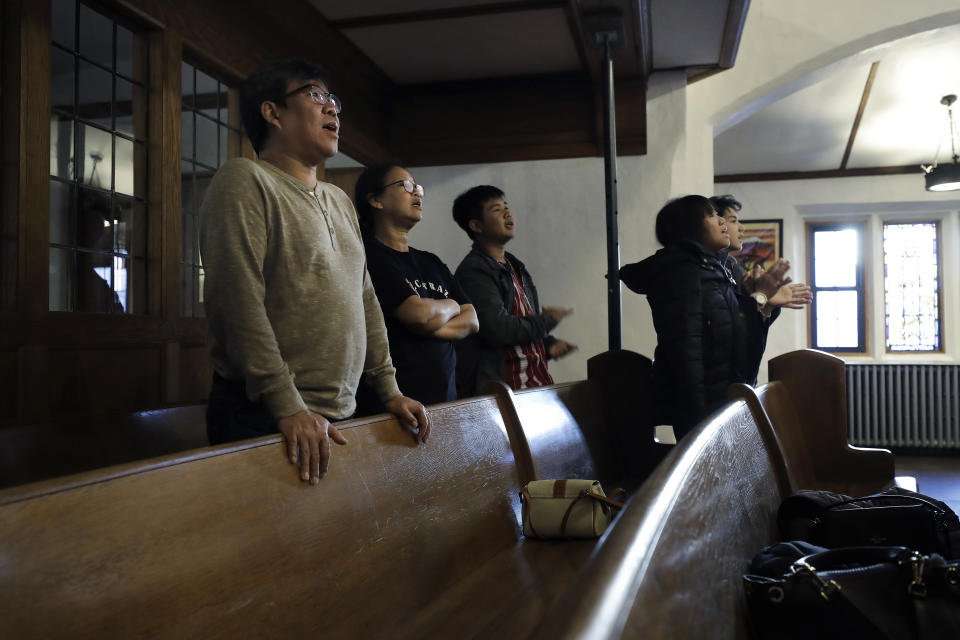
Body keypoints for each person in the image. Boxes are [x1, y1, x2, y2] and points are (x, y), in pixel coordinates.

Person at [199, 60, 429, 486]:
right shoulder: (245, 180)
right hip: (267, 415)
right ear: (273, 112)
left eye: (334, 101)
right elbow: (236, 302)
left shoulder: (339, 199)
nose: (333, 111)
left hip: (341, 410)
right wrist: (286, 405)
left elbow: (365, 299)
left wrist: (389, 390)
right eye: (316, 96)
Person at [619, 195, 786, 440]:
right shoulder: (682, 273)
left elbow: (734, 337)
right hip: (703, 411)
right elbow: (688, 351)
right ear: (689, 226)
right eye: (712, 215)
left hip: (721, 401)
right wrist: (698, 424)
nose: (721, 222)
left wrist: (762, 301)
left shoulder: (712, 271)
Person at [353, 164, 478, 410]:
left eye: (417, 187)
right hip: (395, 406)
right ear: (376, 200)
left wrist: (431, 325)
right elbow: (418, 314)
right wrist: (451, 306)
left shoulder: (430, 261)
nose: (417, 193)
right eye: (406, 186)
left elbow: (472, 320)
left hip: (444, 403)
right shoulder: (369, 256)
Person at [451, 185, 576, 396]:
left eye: (506, 207)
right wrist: (547, 320)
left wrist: (547, 344)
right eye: (496, 209)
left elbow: (521, 319)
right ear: (476, 225)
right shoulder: (474, 271)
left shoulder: (515, 265)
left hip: (534, 385)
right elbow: (497, 328)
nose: (508, 213)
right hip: (504, 394)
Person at [710, 194, 813, 384]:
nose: (741, 228)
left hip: (738, 378)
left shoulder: (730, 265)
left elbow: (751, 326)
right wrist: (762, 296)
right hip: (719, 381)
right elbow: (731, 329)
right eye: (733, 221)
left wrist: (768, 305)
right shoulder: (708, 270)